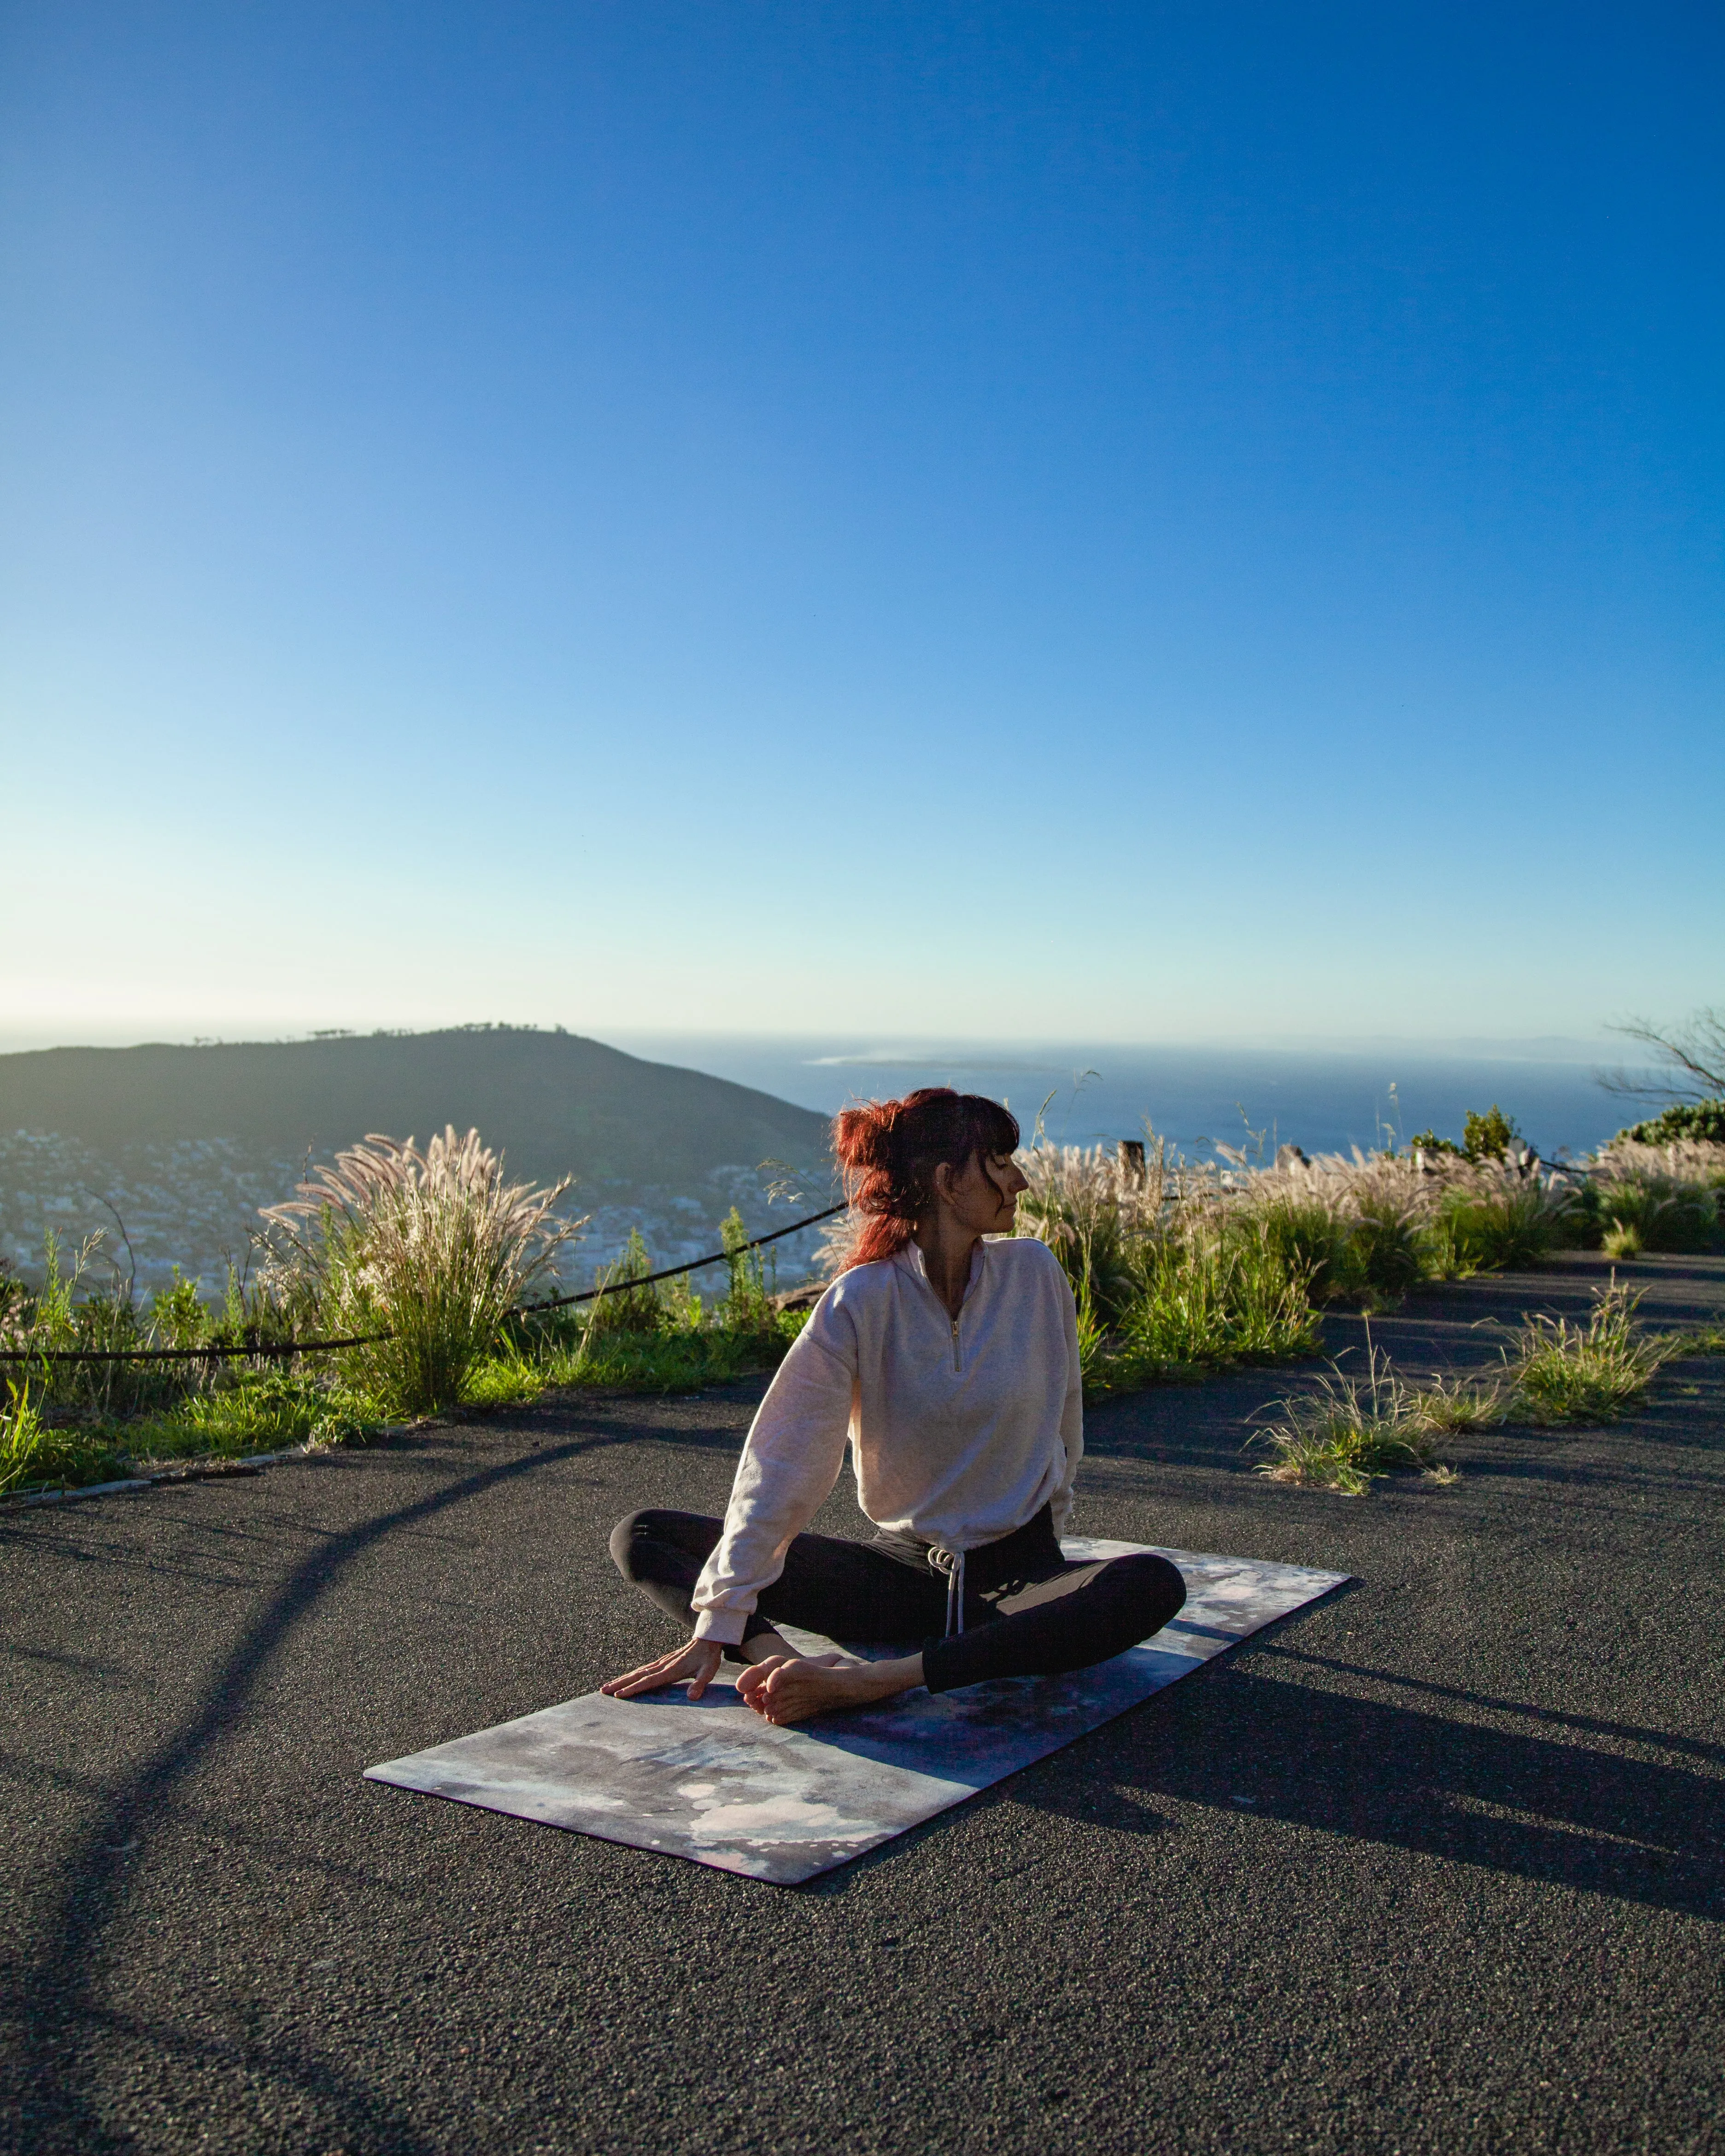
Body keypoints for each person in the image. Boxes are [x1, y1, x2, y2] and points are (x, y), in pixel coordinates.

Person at [603, 1087, 1186, 1726]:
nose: (1019, 1180)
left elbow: (1064, 1425)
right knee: (644, 1534)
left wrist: (1049, 1540)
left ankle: (877, 1681)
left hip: (1016, 1576)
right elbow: (782, 1459)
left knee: (1150, 1585)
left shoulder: (1035, 1274)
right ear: (947, 1181)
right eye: (998, 1162)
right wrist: (729, 1621)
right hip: (900, 1575)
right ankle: (785, 1666)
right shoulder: (861, 1300)